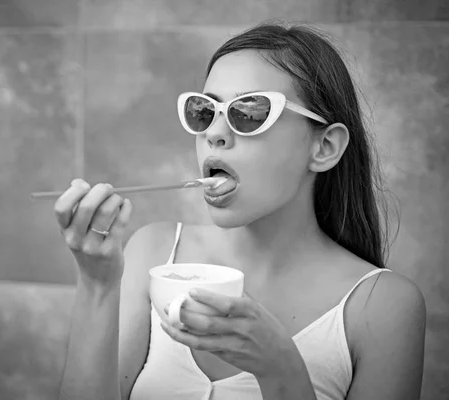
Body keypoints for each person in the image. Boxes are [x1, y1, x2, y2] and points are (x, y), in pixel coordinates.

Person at [54, 22, 427, 400]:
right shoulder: (152, 252)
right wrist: (98, 285)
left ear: (324, 147)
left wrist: (280, 368)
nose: (214, 133)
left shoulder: (384, 306)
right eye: (204, 111)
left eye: (247, 112)